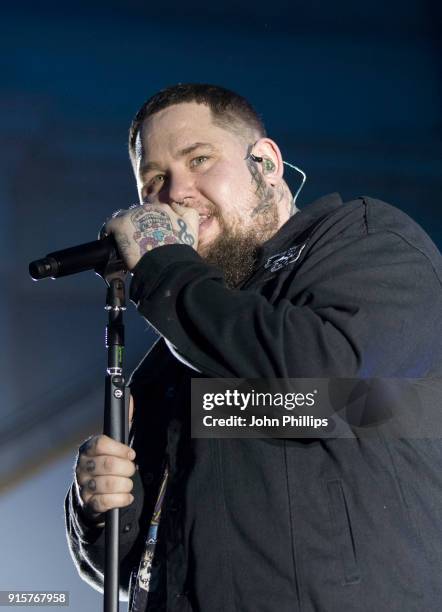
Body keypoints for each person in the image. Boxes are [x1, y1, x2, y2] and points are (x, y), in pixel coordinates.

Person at [65, 83, 442, 612]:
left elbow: (318, 392)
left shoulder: (364, 242)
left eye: (199, 159)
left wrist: (164, 271)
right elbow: (133, 572)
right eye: (154, 181)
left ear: (264, 162)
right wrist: (100, 505)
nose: (177, 192)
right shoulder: (175, 354)